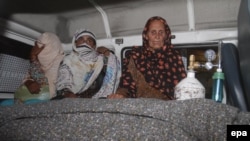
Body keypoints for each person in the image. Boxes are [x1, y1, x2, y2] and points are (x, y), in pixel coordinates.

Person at [108, 16, 186, 100]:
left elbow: (183, 88)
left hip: (170, 108)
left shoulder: (174, 58)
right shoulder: (136, 56)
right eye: (153, 32)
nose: (157, 36)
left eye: (161, 32)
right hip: (143, 108)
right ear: (146, 35)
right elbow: (126, 85)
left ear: (166, 35)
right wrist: (120, 95)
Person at [55, 29, 121, 98]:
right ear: (75, 43)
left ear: (94, 45)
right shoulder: (67, 60)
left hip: (100, 100)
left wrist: (107, 52)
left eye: (89, 40)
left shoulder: (102, 60)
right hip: (72, 99)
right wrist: (68, 94)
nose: (85, 42)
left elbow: (111, 75)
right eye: (81, 40)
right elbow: (63, 81)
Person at [14, 32, 64, 104]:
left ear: (52, 49)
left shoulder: (61, 68)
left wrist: (33, 57)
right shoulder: (37, 65)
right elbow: (27, 79)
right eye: (36, 45)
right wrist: (29, 83)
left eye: (40, 46)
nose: (35, 48)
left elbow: (48, 86)